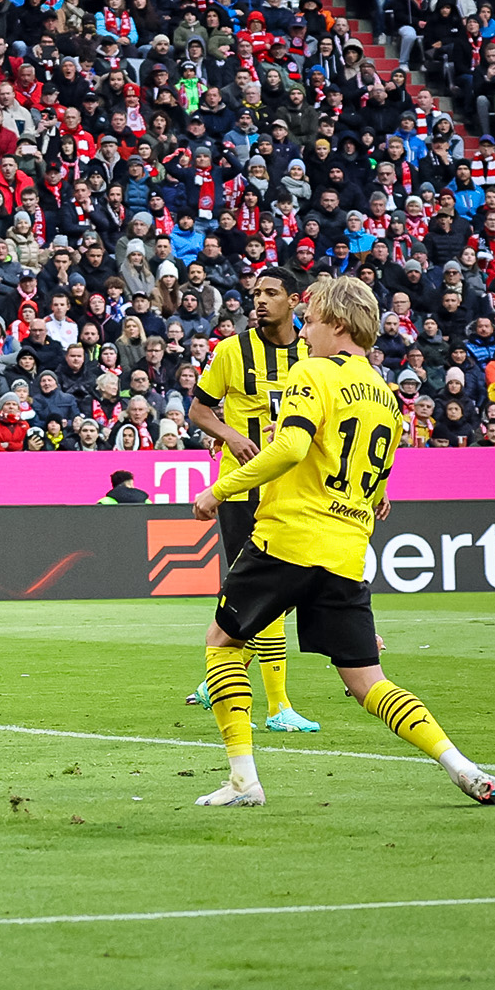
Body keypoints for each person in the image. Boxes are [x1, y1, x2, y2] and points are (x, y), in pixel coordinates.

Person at [188, 277, 495, 808]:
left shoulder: (311, 372)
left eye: (312, 320)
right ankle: (466, 769)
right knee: (368, 682)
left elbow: (291, 446)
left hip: (289, 535)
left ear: (336, 325)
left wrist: (219, 489)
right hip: (346, 552)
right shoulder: (387, 396)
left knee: (221, 642)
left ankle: (244, 782)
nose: (306, 330)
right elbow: (377, 487)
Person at [185, 266, 319, 734]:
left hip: (295, 489)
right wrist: (230, 434)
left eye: (270, 293)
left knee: (264, 592)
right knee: (266, 591)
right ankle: (278, 706)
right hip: (242, 488)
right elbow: (198, 409)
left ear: (294, 300)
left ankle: (221, 671)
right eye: (254, 293)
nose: (258, 301)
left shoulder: (312, 353)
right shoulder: (231, 351)